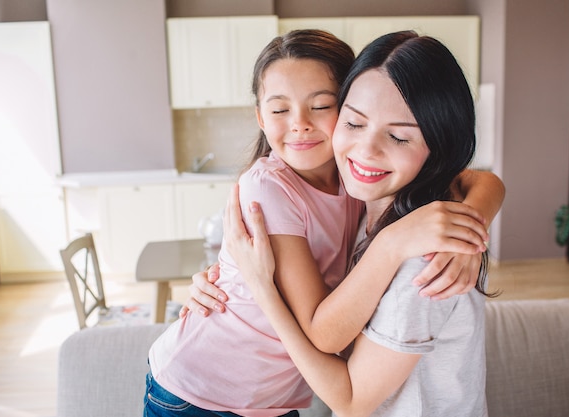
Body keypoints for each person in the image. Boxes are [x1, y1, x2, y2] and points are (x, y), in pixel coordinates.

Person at [144, 29, 501, 417]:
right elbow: (321, 329)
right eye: (356, 123)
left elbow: (481, 180)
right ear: (261, 116)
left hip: (270, 400)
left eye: (398, 136)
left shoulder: (371, 199)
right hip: (199, 389)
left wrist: (472, 227)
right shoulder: (303, 187)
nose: (299, 124)